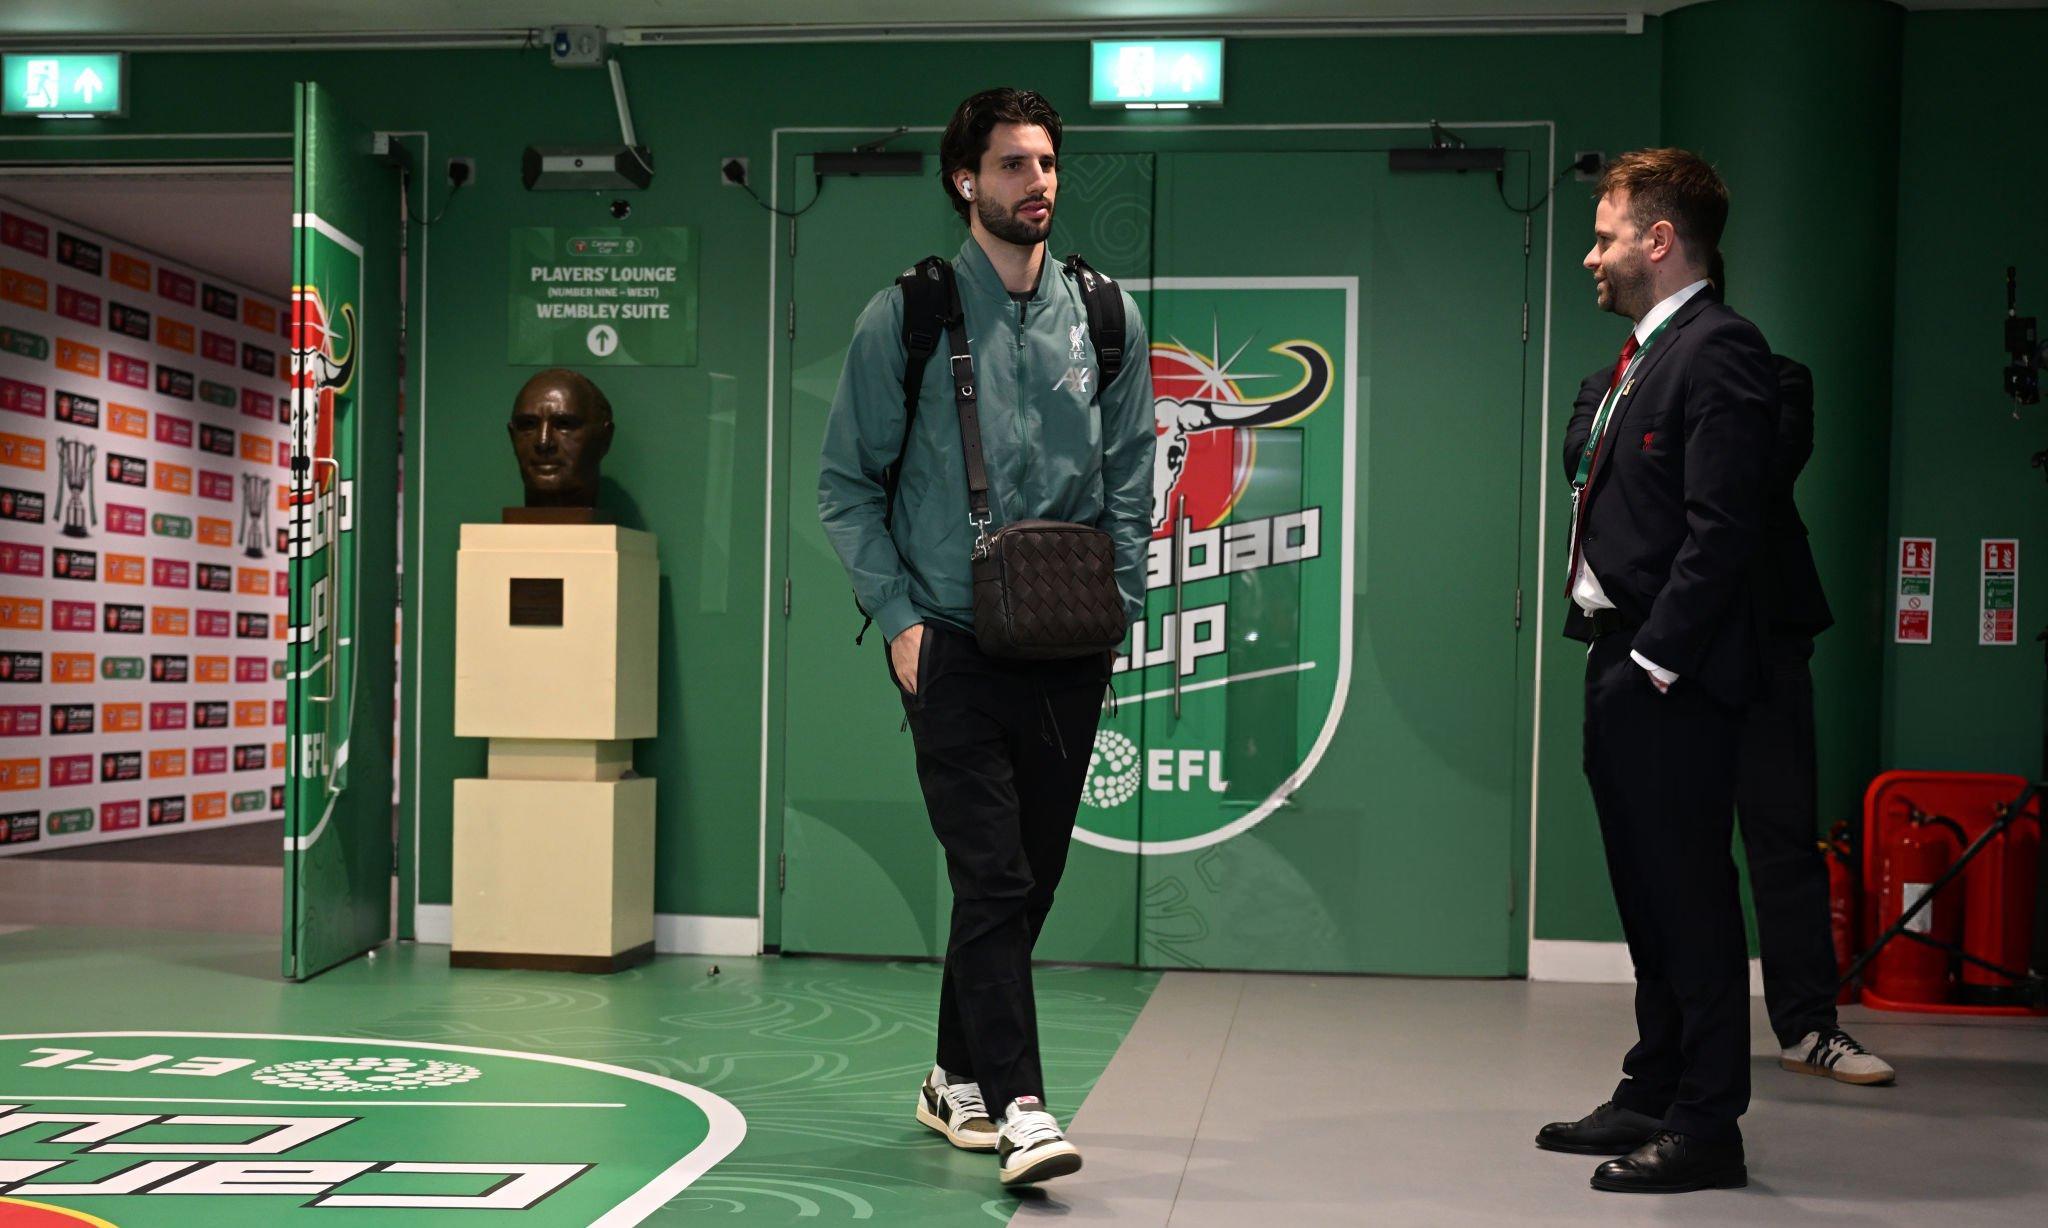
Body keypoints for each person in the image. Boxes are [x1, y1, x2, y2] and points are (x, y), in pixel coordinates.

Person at [816, 86, 1154, 1188]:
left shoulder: (1105, 314)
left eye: (1046, 162)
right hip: (950, 643)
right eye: (1012, 164)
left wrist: (1121, 604)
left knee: (1025, 882)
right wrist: (900, 621)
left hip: (1069, 641)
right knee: (993, 873)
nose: (1037, 182)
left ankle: (951, 1072)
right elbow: (845, 485)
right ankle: (1020, 1108)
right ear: (965, 180)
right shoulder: (906, 316)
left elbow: (1133, 475)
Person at [1562, 265, 1896, 1089]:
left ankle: (1808, 1026)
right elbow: (1594, 474)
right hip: (1664, 644)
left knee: (1781, 837)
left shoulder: (1773, 376)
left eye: (1608, 241)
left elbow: (1743, 486)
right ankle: (1675, 1057)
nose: (1594, 260)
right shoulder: (1605, 389)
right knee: (1673, 858)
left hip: (1762, 644)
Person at [1536, 148, 1772, 1194]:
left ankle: (1707, 1125)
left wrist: (1653, 660)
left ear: (1660, 240)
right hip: (1618, 658)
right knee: (1645, 895)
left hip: (1668, 670)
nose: (1592, 256)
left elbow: (1724, 531)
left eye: (1605, 236)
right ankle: (1654, 1086)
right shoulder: (1640, 357)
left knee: (1690, 900)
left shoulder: (1719, 349)